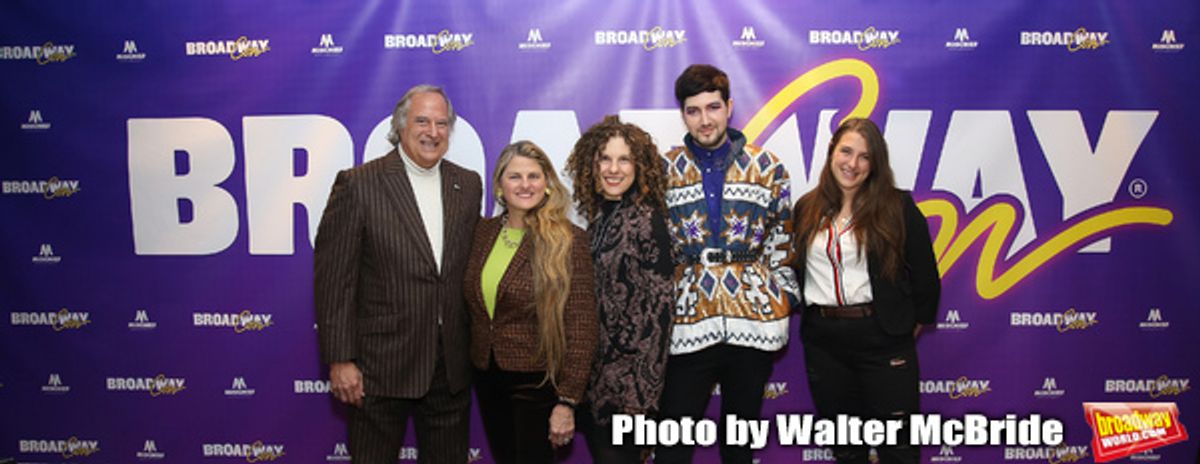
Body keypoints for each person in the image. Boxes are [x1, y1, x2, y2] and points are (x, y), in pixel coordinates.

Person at [313, 85, 481, 463]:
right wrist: (341, 360)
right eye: (422, 121)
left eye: (441, 123)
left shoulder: (467, 184)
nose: (433, 132)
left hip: (448, 367)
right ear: (401, 126)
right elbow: (334, 281)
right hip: (379, 366)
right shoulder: (359, 184)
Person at [658, 64, 799, 464]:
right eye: (693, 110)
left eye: (713, 107)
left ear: (729, 107)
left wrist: (782, 296)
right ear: (683, 114)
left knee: (740, 442)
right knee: (673, 439)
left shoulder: (768, 167)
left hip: (753, 322)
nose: (705, 120)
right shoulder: (662, 169)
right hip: (688, 321)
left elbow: (781, 238)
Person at [789, 118, 940, 464]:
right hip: (824, 343)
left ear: (875, 164)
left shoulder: (897, 207)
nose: (852, 164)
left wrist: (899, 330)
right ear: (831, 153)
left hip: (882, 338)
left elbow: (926, 279)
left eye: (864, 157)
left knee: (898, 448)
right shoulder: (806, 208)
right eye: (846, 151)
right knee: (846, 448)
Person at [464, 140, 599, 464]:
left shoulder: (569, 240)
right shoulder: (481, 233)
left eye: (534, 176)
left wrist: (567, 401)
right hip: (487, 374)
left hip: (538, 383)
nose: (525, 185)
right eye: (515, 177)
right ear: (499, 185)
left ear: (547, 184)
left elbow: (582, 326)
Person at [564, 116, 674, 463]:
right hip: (597, 384)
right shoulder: (598, 222)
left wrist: (639, 399)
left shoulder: (647, 219)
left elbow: (661, 313)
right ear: (591, 166)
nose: (613, 169)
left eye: (623, 159)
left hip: (629, 394)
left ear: (639, 167)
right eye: (604, 159)